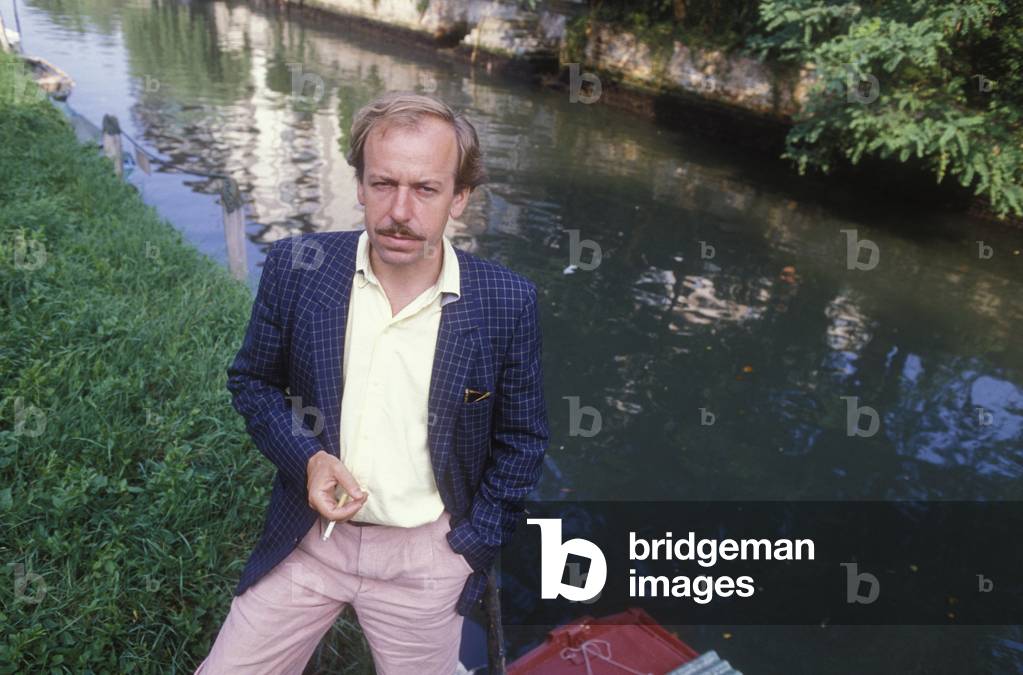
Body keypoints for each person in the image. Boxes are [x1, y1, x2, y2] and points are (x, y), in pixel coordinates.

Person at [195, 91, 550, 674]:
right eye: (383, 184)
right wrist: (308, 459)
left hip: (426, 560)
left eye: (426, 189)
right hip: (306, 543)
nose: (400, 212)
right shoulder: (297, 267)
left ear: (459, 197)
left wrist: (473, 546)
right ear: (359, 185)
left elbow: (523, 439)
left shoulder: (506, 301)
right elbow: (253, 382)